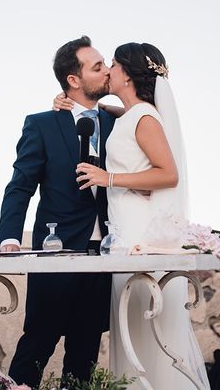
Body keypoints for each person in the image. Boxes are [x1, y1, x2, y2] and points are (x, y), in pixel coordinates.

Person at [70, 42, 210, 389]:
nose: (109, 71)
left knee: (146, 332)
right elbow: (126, 120)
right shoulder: (134, 114)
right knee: (131, 331)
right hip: (124, 235)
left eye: (114, 64)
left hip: (138, 238)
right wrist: (82, 104)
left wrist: (108, 178)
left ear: (128, 75)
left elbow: (168, 174)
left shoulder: (145, 117)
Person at [0, 36, 115, 388]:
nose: (107, 70)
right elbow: (21, 185)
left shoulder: (119, 124)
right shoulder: (43, 124)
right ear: (73, 81)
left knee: (85, 353)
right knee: (36, 345)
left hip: (105, 254)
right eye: (97, 67)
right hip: (55, 251)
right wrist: (10, 237)